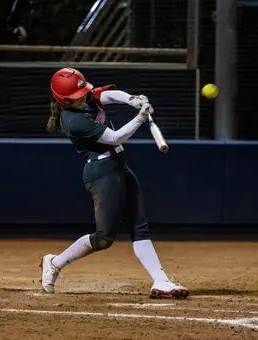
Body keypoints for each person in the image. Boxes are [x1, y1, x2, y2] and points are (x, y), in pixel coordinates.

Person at [41, 68, 189, 299]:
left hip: (119, 166)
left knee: (139, 227)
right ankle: (54, 262)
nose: (84, 97)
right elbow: (114, 137)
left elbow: (109, 95)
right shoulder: (73, 120)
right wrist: (140, 117)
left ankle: (161, 281)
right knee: (104, 238)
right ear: (64, 99)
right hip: (101, 173)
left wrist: (133, 100)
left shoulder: (83, 97)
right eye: (78, 96)